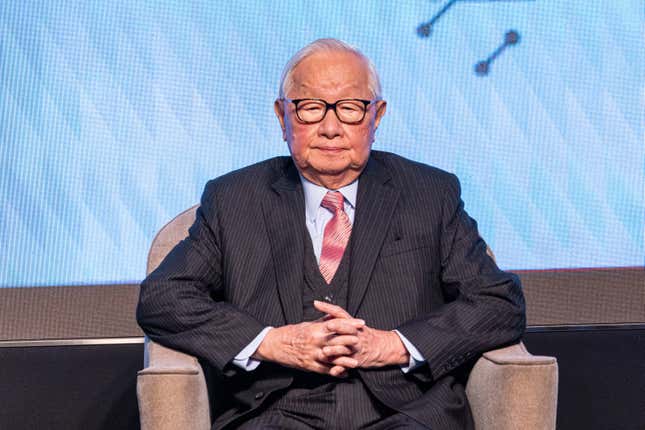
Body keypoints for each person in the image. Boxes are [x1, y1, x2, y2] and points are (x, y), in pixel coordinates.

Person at [136, 38, 526, 429]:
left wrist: (393, 345)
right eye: (310, 108)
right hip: (276, 411)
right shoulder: (234, 198)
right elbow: (163, 298)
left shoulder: (430, 193)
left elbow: (498, 303)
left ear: (377, 116)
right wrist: (271, 342)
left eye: (351, 109)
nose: (331, 128)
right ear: (282, 116)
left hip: (404, 412)